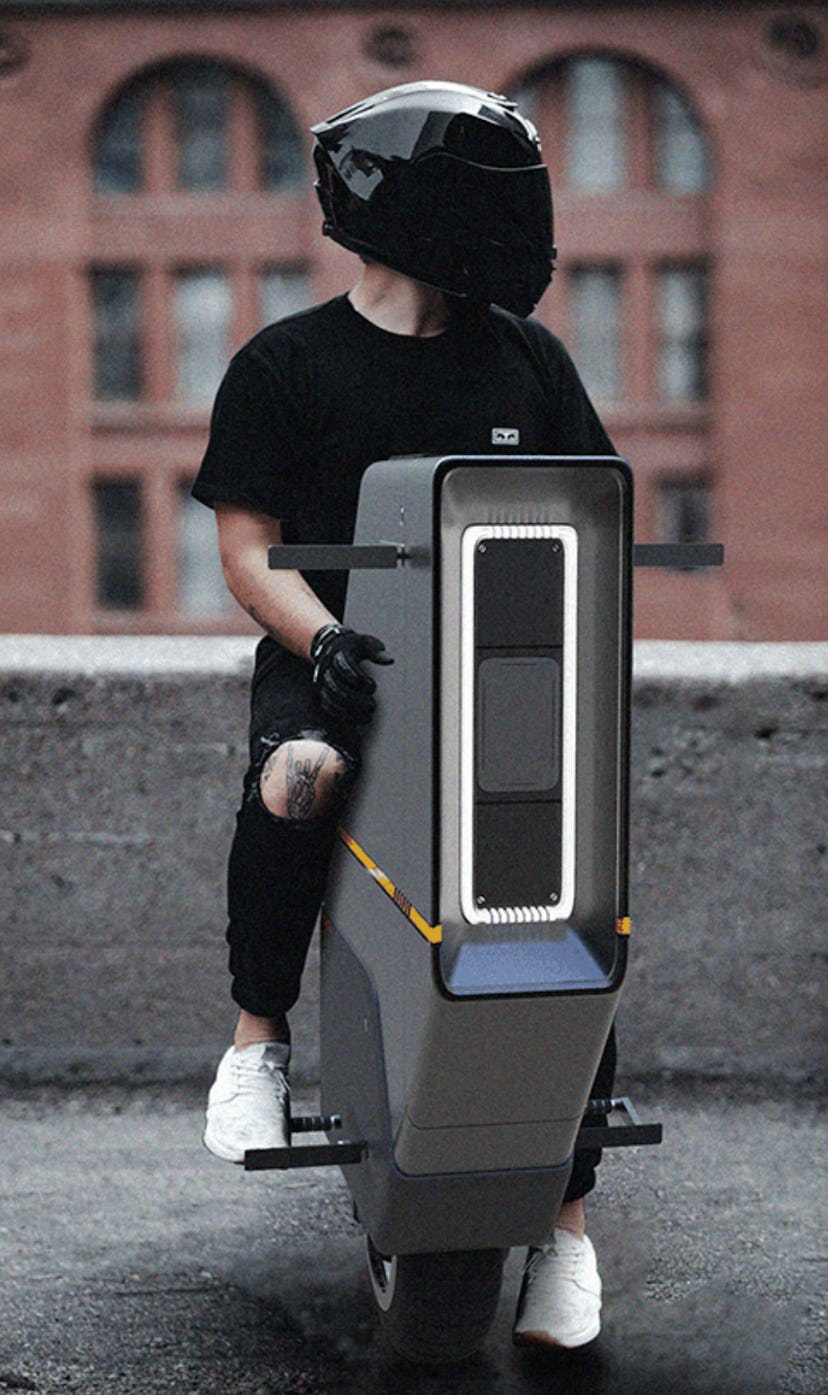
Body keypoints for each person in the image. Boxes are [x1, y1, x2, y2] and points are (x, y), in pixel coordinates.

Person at [193, 80, 616, 1351]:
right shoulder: (284, 364)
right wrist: (324, 638)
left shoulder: (528, 362)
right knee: (302, 778)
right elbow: (252, 550)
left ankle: (568, 1226)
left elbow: (591, 507)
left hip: (501, 679)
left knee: (565, 896)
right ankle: (257, 1041)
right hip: (335, 665)